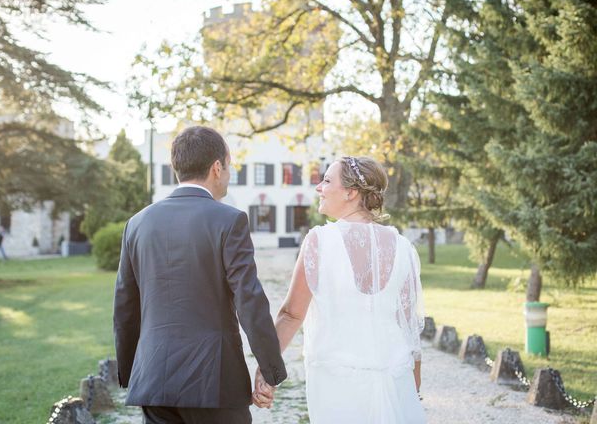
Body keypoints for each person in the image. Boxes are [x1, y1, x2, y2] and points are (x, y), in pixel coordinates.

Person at [113, 126, 286, 424]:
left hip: (154, 380)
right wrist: (270, 370)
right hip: (216, 381)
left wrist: (132, 371)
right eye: (230, 166)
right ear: (217, 167)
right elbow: (250, 301)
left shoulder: (137, 223)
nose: (229, 174)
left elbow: (125, 306)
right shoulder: (229, 220)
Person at [254, 156, 426, 423]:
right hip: (395, 380)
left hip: (338, 383)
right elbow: (409, 328)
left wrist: (267, 369)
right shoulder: (403, 246)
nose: (318, 188)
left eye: (326, 180)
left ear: (351, 192)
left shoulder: (319, 241)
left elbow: (291, 315)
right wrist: (413, 390)